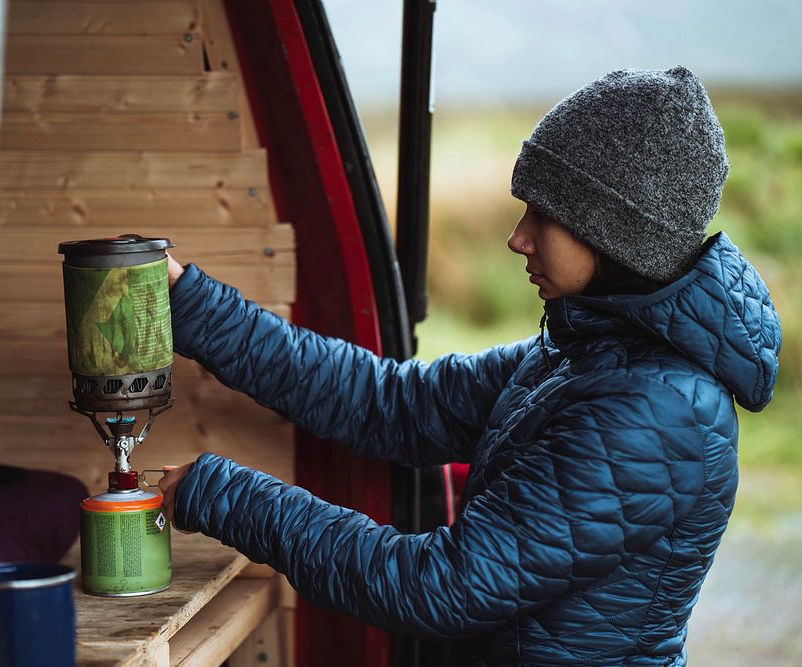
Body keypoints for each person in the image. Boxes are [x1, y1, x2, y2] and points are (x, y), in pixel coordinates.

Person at [157, 66, 782, 665]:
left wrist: (222, 494)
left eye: (543, 215)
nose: (518, 238)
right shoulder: (584, 354)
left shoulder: (657, 410)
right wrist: (189, 303)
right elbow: (389, 404)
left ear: (613, 234)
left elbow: (441, 588)